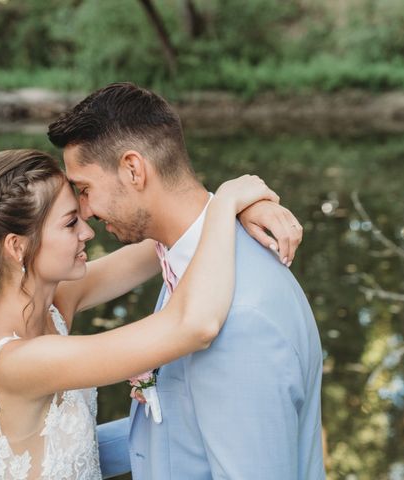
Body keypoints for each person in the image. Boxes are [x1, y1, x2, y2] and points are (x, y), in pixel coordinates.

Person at [0, 148, 284, 479]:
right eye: (69, 224)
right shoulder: (17, 361)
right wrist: (227, 202)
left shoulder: (53, 301)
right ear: (18, 246)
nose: (87, 232)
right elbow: (195, 325)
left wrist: (240, 208)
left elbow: (166, 235)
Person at [47, 83, 326, 479]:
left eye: (85, 189)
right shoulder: (193, 264)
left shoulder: (242, 317)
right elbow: (184, 429)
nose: (86, 212)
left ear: (133, 169)